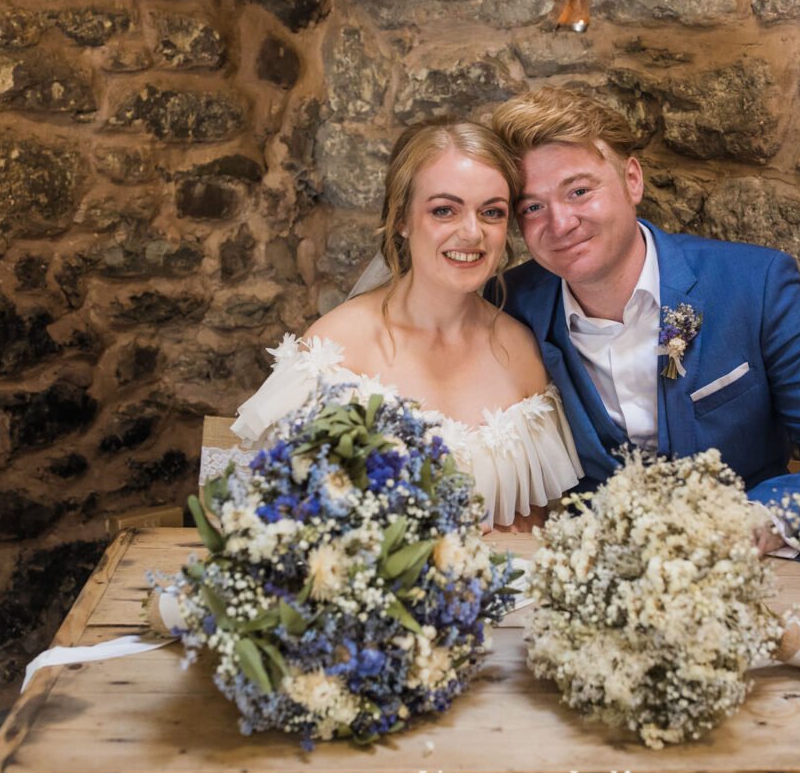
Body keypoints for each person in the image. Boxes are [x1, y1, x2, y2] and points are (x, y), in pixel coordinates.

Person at [491, 88, 800, 560]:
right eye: (532, 207)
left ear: (632, 180)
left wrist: (757, 524)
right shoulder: (507, 305)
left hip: (747, 568)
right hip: (590, 577)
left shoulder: (754, 285)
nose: (560, 223)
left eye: (579, 191)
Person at [230, 119, 580, 530]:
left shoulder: (523, 355)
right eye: (444, 210)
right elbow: (281, 517)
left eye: (492, 212)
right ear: (401, 219)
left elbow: (531, 521)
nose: (472, 233)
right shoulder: (337, 349)